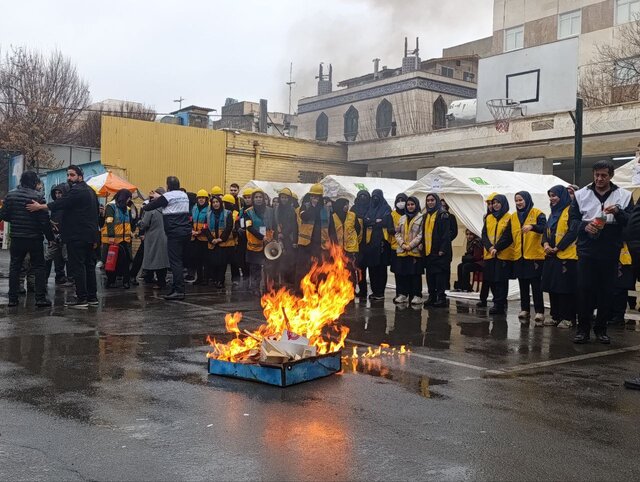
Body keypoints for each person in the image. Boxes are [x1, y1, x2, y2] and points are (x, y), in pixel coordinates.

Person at [570, 160, 634, 344]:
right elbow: (572, 222)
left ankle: (601, 329)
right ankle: (582, 329)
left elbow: (631, 221)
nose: (599, 179)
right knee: (584, 289)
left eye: (604, 175)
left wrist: (619, 213)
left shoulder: (624, 195)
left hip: (610, 247)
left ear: (611, 176)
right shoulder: (581, 194)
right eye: (597, 175)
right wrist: (584, 226)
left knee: (607, 290)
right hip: (587, 248)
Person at [27, 165, 100, 307]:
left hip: (77, 235)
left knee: (78, 266)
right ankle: (92, 297)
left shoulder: (77, 190)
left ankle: (82, 298)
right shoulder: (90, 191)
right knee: (89, 266)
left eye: (72, 175)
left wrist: (40, 207)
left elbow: (62, 203)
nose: (69, 178)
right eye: (68, 175)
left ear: (80, 176)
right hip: (90, 235)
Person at [0, 171, 53, 307]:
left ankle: (13, 299)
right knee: (39, 267)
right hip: (35, 238)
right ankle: (40, 298)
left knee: (15, 267)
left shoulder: (11, 195)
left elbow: (4, 215)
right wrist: (50, 237)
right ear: (34, 182)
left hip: (17, 237)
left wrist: (16, 219)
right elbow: (44, 221)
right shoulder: (38, 196)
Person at [142, 176, 192, 301]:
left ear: (168, 186)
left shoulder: (168, 196)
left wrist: (149, 201)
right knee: (179, 262)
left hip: (174, 233)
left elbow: (148, 207)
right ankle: (176, 288)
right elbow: (171, 202)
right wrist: (160, 198)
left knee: (175, 263)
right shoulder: (183, 195)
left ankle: (179, 291)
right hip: (186, 232)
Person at [541, 185, 578, 329]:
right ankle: (555, 316)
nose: (552, 198)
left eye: (554, 195)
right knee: (552, 286)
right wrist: (545, 245)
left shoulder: (571, 210)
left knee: (565, 288)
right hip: (551, 256)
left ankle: (568, 318)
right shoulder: (553, 213)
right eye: (550, 195)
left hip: (567, 256)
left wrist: (558, 247)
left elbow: (572, 232)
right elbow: (546, 231)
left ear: (562, 196)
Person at [511, 191, 547, 326]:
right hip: (520, 256)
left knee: (536, 285)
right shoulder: (513, 217)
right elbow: (509, 236)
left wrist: (532, 227)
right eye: (517, 201)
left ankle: (539, 311)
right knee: (523, 284)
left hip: (534, 256)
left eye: (521, 200)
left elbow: (545, 228)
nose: (519, 203)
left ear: (527, 200)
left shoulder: (538, 213)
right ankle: (524, 309)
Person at [354, 189, 392, 301]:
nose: (375, 198)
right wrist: (376, 221)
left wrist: (373, 222)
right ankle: (367, 291)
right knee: (368, 269)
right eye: (373, 196)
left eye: (377, 196)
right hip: (365, 244)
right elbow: (366, 221)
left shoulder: (385, 208)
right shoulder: (367, 208)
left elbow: (385, 221)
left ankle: (379, 292)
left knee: (380, 269)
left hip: (381, 245)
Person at [481, 194, 514, 315]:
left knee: (501, 281)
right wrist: (490, 247)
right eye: (493, 203)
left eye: (497, 202)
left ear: (503, 203)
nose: (495, 205)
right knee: (491, 279)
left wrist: (497, 248)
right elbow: (484, 234)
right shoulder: (489, 218)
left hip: (503, 254)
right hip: (490, 254)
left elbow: (508, 236)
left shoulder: (510, 217)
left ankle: (499, 304)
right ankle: (497, 301)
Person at [296, 184, 335, 285]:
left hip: (320, 245)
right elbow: (304, 217)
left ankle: (318, 291)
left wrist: (334, 244)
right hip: (305, 245)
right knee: (303, 269)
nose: (314, 198)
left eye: (317, 196)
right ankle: (301, 291)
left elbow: (331, 227)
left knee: (320, 269)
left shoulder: (326, 209)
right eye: (312, 196)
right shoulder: (305, 207)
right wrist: (312, 207)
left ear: (321, 197)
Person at [423, 193, 452, 308]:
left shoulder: (442, 215)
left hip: (439, 251)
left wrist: (442, 249)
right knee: (430, 275)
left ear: (437, 201)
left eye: (432, 200)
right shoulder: (426, 215)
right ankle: (432, 296)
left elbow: (446, 234)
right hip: (428, 251)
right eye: (428, 200)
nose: (430, 202)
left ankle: (441, 297)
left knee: (440, 276)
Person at [394, 196, 424, 305]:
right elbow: (397, 233)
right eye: (408, 204)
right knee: (402, 273)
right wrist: (402, 244)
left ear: (416, 205)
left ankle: (417, 295)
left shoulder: (421, 218)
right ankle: (403, 295)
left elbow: (421, 235)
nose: (410, 206)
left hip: (414, 251)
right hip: (402, 250)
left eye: (412, 204)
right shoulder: (402, 218)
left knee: (415, 274)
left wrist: (410, 245)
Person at [138, 188, 170, 289]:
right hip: (165, 237)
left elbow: (144, 224)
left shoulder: (150, 208)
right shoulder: (167, 207)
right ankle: (162, 281)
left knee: (151, 258)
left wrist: (139, 223)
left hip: (153, 237)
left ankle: (150, 278)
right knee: (162, 260)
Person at [243, 189, 274, 295]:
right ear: (253, 199)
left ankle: (268, 287)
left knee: (269, 267)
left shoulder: (270, 210)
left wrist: (273, 238)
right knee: (255, 268)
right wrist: (261, 237)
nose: (258, 199)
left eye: (260, 197)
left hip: (268, 243)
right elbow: (249, 227)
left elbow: (274, 224)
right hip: (255, 244)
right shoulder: (248, 212)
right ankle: (255, 288)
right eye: (256, 197)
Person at [102, 189, 134, 289]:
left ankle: (126, 281)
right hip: (113, 240)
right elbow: (109, 222)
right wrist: (111, 236)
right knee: (111, 262)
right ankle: (111, 280)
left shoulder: (127, 209)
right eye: (128, 198)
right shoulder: (111, 206)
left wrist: (131, 231)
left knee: (126, 262)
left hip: (125, 240)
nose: (129, 200)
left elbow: (130, 222)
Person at [332, 198, 361, 288]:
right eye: (345, 204)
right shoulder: (333, 216)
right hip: (338, 248)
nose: (347, 206)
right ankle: (340, 288)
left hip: (350, 248)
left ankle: (352, 288)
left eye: (347, 204)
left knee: (351, 269)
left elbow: (358, 228)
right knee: (339, 269)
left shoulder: (352, 215)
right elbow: (331, 231)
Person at [207, 194, 234, 289]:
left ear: (221, 203)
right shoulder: (208, 214)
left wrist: (221, 239)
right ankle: (214, 279)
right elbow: (205, 228)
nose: (215, 204)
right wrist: (212, 239)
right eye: (213, 202)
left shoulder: (228, 213)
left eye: (217, 202)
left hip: (224, 243)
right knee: (213, 262)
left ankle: (220, 281)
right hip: (213, 242)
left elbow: (229, 227)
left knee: (222, 263)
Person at [274, 188, 298, 288]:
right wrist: (277, 234)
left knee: (289, 258)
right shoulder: (276, 209)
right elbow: (274, 222)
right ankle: (280, 279)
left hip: (289, 238)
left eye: (286, 198)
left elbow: (293, 225)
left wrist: (283, 233)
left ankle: (289, 280)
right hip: (278, 237)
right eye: (282, 197)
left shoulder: (292, 211)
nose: (284, 200)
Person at [45, 183, 69, 285]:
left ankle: (66, 277)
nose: (58, 195)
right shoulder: (54, 206)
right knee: (49, 257)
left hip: (65, 235)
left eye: (60, 193)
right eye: (56, 193)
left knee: (65, 257)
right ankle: (45, 278)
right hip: (54, 236)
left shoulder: (68, 207)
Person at [477, 193, 497, 308]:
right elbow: (484, 234)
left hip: (497, 251)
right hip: (488, 251)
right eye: (489, 204)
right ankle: (483, 299)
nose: (490, 206)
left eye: (492, 203)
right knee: (487, 277)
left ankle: (497, 299)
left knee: (495, 279)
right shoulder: (487, 217)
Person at [188, 189, 211, 285]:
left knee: (205, 260)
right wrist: (191, 230)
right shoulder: (194, 208)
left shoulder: (209, 209)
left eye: (203, 198)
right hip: (195, 237)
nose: (201, 200)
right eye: (199, 198)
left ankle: (205, 279)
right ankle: (199, 278)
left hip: (204, 238)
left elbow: (208, 223)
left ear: (206, 199)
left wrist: (200, 232)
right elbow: (191, 220)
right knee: (197, 260)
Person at [610, 241, 636, 326]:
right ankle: (613, 315)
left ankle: (618, 317)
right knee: (613, 289)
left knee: (619, 290)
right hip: (612, 257)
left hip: (622, 258)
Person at [390, 193, 407, 301]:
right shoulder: (392, 214)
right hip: (395, 247)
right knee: (398, 272)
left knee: (407, 272)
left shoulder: (410, 214)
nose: (401, 202)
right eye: (399, 200)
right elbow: (389, 229)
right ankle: (399, 293)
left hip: (408, 247)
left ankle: (407, 293)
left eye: (403, 200)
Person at [221, 194, 241, 287]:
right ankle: (221, 279)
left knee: (234, 262)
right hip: (223, 240)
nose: (224, 204)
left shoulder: (237, 213)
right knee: (223, 262)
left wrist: (236, 231)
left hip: (234, 241)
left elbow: (238, 225)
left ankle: (236, 279)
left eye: (226, 203)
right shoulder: (222, 213)